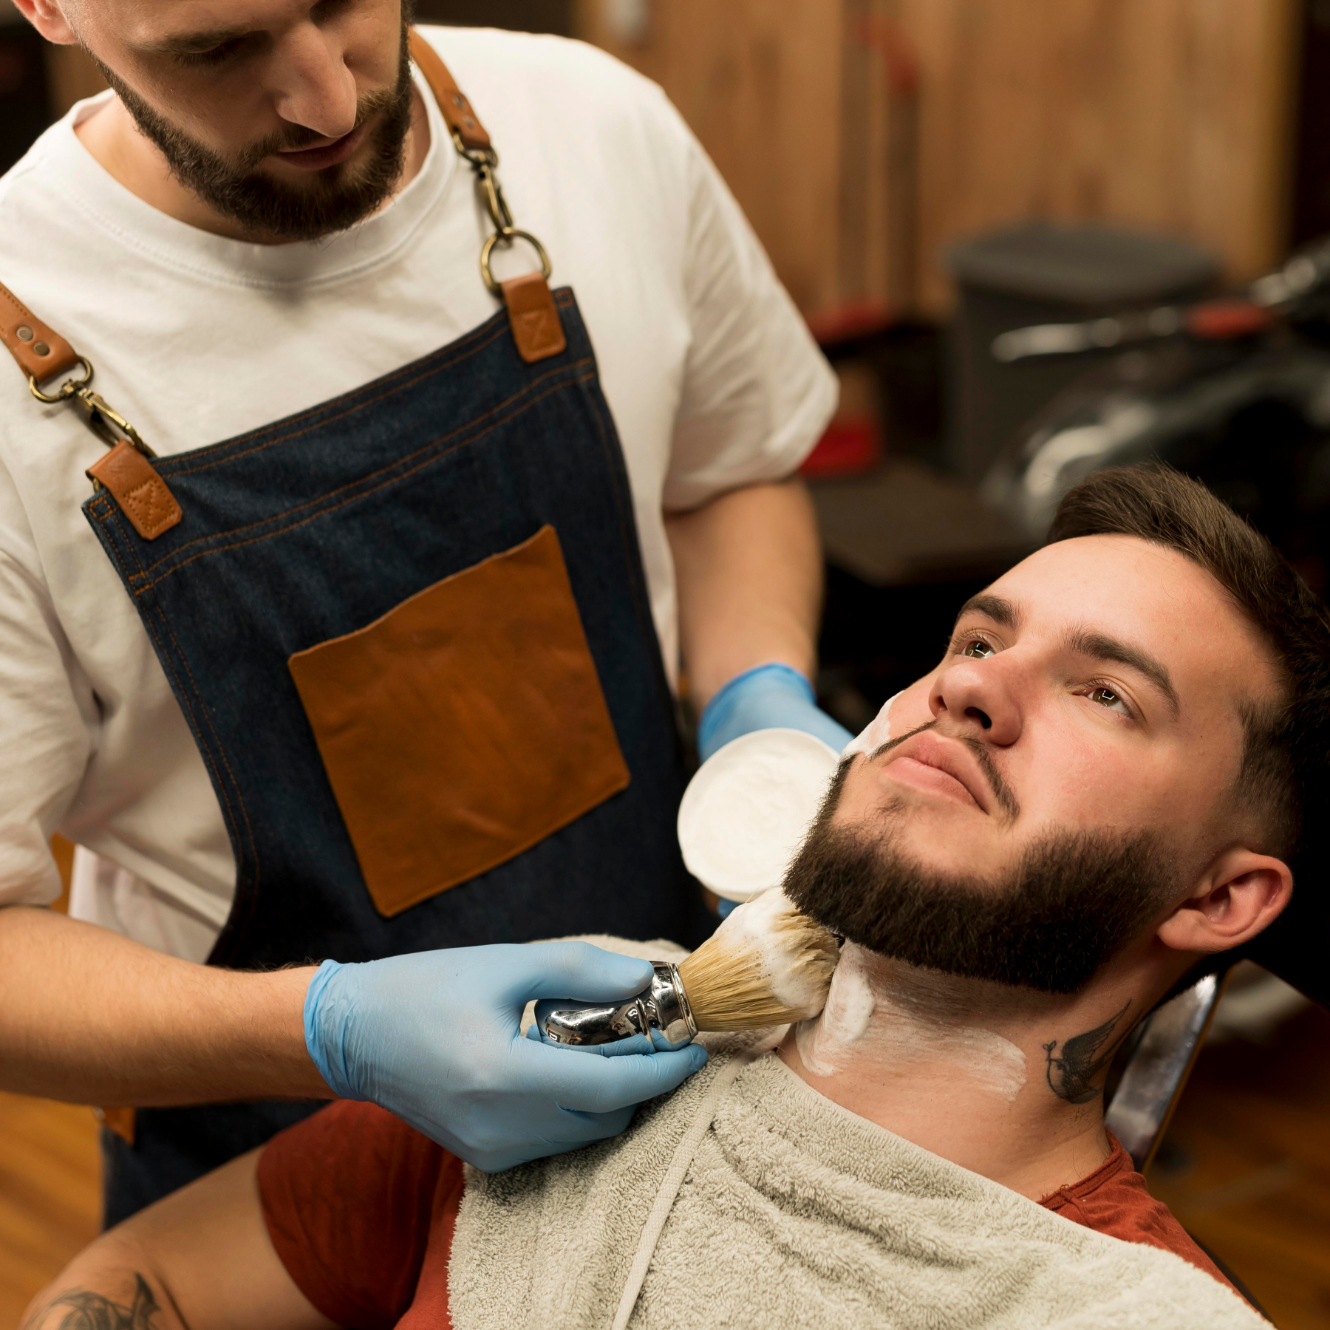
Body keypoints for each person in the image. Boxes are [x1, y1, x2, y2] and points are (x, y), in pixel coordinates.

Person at [25, 465, 1323, 1329]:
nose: (969, 684)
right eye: (979, 638)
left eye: (1105, 692)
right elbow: (144, 1281)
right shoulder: (552, 1074)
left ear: (1221, 897)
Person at [0, 1, 853, 1224]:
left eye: (340, 1)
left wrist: (754, 693)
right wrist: (329, 1032)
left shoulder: (590, 126)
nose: (328, 98)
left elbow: (727, 470)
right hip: (279, 1180)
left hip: (683, 1084)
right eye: (219, 49)